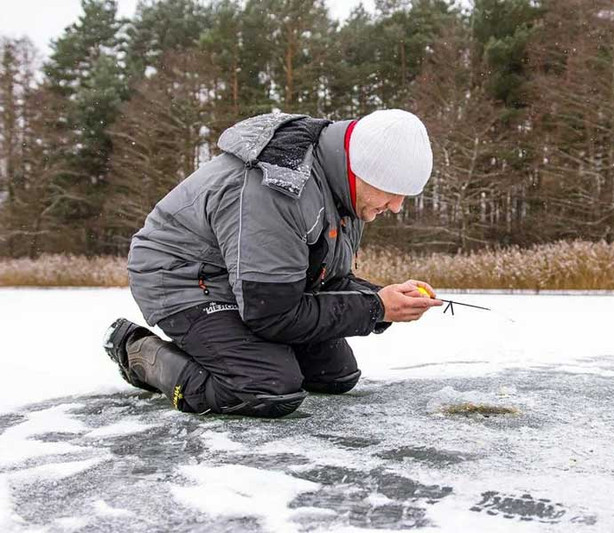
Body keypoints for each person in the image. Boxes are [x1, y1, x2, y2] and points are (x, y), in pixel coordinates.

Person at [102, 109, 443, 418]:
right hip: (185, 278)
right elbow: (271, 313)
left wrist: (381, 296)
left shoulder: (345, 193)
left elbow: (325, 280)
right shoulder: (280, 188)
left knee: (334, 376)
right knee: (264, 388)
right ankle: (138, 351)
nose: (397, 207)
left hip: (250, 286)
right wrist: (374, 308)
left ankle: (230, 345)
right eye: (392, 191)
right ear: (360, 169)